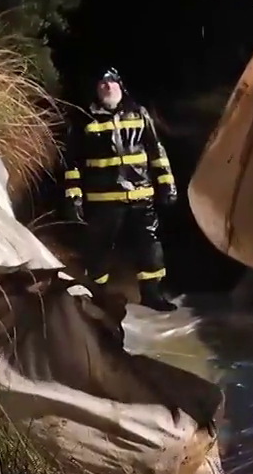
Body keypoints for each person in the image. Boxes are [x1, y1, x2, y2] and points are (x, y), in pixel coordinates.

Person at [62, 68, 179, 312]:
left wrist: (166, 183)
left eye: (111, 81)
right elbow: (71, 161)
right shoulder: (84, 118)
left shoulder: (138, 113)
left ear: (120, 85)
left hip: (141, 195)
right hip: (103, 198)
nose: (107, 86)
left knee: (149, 244)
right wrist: (74, 197)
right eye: (102, 82)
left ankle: (152, 294)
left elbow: (156, 151)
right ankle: (97, 296)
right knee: (99, 248)